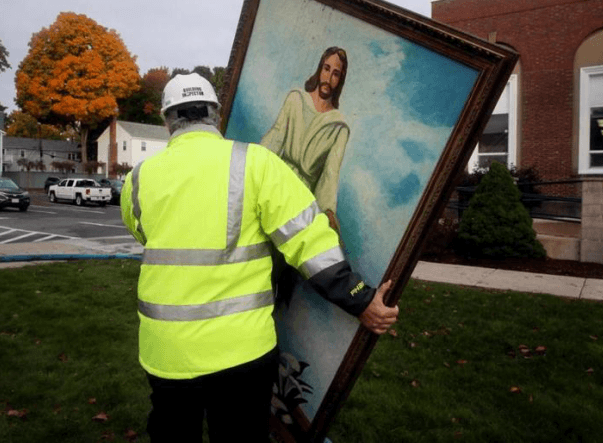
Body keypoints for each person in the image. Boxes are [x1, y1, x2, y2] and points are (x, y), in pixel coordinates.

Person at [120, 72, 398, 443]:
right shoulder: (255, 163)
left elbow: (145, 234)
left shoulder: (139, 178)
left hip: (166, 352)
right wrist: (361, 299)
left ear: (166, 119)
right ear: (216, 115)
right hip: (241, 353)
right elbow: (310, 243)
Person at [261, 47, 349, 231]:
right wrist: (253, 165)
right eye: (326, 69)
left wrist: (328, 212)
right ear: (319, 69)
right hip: (277, 184)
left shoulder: (339, 126)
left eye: (335, 74)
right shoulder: (296, 99)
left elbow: (330, 175)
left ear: (340, 80)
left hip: (303, 200)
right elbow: (274, 140)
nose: (328, 78)